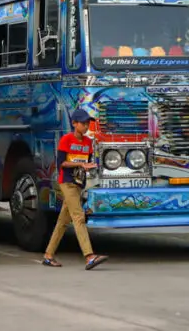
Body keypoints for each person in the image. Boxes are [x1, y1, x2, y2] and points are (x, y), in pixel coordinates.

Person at [42, 108, 108, 270]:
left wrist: (88, 168)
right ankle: (89, 256)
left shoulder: (88, 142)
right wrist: (80, 164)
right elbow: (61, 164)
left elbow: (89, 163)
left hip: (79, 184)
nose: (86, 126)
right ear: (74, 124)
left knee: (62, 222)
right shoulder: (66, 140)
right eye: (83, 123)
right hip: (67, 182)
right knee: (78, 217)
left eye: (88, 124)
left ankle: (48, 255)